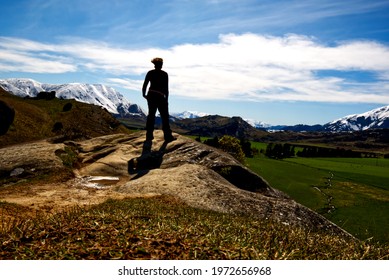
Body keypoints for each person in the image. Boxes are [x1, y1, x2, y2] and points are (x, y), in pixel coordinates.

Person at [142, 57, 175, 142]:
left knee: (151, 115)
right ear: (160, 65)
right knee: (164, 116)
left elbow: (145, 84)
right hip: (160, 96)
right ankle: (167, 136)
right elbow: (166, 88)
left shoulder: (150, 73)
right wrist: (166, 99)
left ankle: (149, 136)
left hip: (151, 95)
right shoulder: (164, 74)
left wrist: (144, 94)